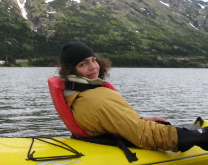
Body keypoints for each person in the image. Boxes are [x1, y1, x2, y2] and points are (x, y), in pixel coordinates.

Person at [57, 40, 208, 153]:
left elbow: (105, 119)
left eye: (94, 60)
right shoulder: (96, 99)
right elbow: (143, 135)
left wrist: (138, 120)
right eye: (83, 64)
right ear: (71, 70)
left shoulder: (79, 93)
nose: (93, 67)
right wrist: (198, 135)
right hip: (123, 142)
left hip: (102, 138)